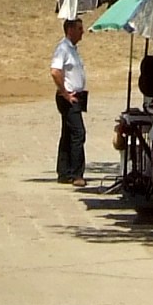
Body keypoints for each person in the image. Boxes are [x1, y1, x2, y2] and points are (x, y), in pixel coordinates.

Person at [50, 16, 89, 181]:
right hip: (68, 97)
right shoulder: (63, 49)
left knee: (68, 133)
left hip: (77, 96)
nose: (82, 32)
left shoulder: (72, 49)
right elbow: (55, 71)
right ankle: (76, 173)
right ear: (70, 30)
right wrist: (65, 93)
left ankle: (64, 171)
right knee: (78, 133)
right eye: (79, 29)